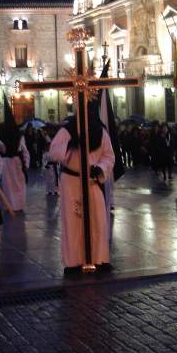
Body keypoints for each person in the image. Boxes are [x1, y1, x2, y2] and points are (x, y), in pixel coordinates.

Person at [50, 107, 115, 276]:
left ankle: (100, 259)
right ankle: (73, 262)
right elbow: (54, 153)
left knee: (98, 220)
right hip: (71, 182)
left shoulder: (100, 131)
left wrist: (100, 168)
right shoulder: (67, 130)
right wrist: (69, 141)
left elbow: (109, 156)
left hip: (92, 182)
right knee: (73, 223)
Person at [0, 102, 30, 212]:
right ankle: (18, 205)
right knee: (17, 184)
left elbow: (1, 150)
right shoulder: (19, 136)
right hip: (16, 162)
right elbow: (25, 151)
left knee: (9, 185)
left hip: (7, 162)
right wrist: (25, 164)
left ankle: (11, 205)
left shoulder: (2, 137)